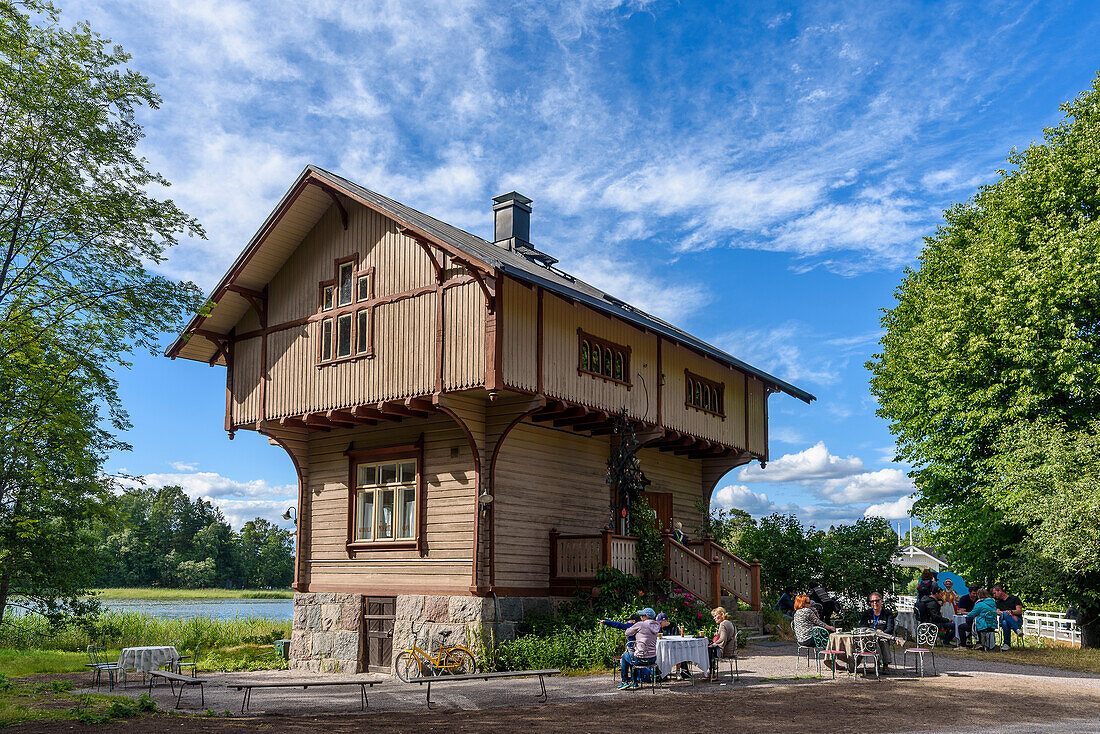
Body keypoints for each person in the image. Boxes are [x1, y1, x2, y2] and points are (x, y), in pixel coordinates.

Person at [609, 608, 660, 690]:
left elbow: (627, 632)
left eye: (642, 615)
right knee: (632, 655)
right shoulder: (657, 625)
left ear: (646, 616)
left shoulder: (640, 624)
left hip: (641, 659)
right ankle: (634, 682)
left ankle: (625, 681)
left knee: (625, 656)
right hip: (652, 659)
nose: (641, 617)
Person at [858, 592, 896, 669]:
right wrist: (874, 631)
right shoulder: (866, 613)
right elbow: (862, 627)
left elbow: (890, 629)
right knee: (871, 641)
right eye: (872, 601)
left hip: (884, 636)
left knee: (882, 640)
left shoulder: (888, 613)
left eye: (877, 601)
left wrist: (881, 632)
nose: (875, 603)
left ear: (881, 601)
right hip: (869, 637)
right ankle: (854, 665)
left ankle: (885, 664)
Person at [708, 606, 737, 681]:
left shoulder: (722, 624)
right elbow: (727, 636)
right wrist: (718, 634)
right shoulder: (729, 623)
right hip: (732, 650)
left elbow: (723, 639)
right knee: (710, 649)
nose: (714, 618)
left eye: (715, 616)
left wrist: (713, 644)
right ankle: (712, 669)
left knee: (708, 650)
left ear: (721, 615)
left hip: (726, 651)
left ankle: (712, 672)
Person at [992, 584, 1024, 650]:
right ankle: (1017, 630)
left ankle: (1006, 644)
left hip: (1017, 620)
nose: (994, 595)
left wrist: (1011, 612)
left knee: (1004, 622)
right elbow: (998, 612)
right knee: (1005, 615)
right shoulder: (998, 602)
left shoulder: (1014, 599)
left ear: (1000, 591)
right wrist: (1007, 613)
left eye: (995, 593)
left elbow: (1019, 611)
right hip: (1011, 620)